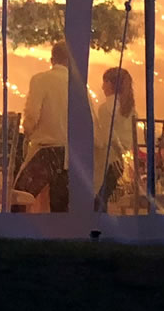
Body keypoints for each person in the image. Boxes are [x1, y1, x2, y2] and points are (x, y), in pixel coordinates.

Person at [17, 42, 83, 212]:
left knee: (18, 197)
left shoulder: (40, 80)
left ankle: (14, 234)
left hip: (46, 152)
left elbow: (32, 115)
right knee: (60, 208)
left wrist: (27, 132)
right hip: (70, 156)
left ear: (52, 59)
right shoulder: (79, 86)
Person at [93, 67, 135, 213]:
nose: (102, 87)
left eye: (104, 82)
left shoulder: (105, 108)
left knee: (97, 201)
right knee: (102, 198)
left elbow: (105, 137)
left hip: (106, 162)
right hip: (119, 163)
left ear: (111, 84)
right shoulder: (130, 108)